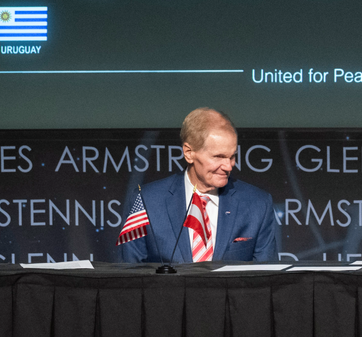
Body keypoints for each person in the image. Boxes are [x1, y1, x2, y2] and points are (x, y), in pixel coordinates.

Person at [117, 108, 280, 263]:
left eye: (232, 157)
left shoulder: (257, 204)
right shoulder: (147, 201)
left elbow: (266, 276)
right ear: (189, 153)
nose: (228, 166)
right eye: (218, 156)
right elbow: (131, 273)